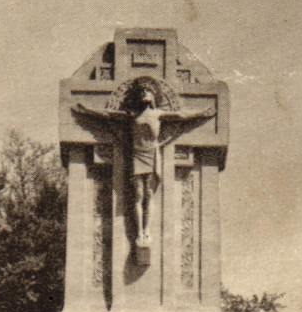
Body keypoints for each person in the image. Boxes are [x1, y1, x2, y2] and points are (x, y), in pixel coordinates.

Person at [74, 83, 214, 248]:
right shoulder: (132, 115)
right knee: (138, 195)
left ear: (153, 97)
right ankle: (139, 232)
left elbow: (181, 115)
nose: (144, 93)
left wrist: (202, 113)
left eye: (148, 91)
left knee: (149, 194)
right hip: (137, 155)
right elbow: (108, 114)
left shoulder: (158, 114)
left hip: (152, 154)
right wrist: (87, 111)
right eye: (142, 92)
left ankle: (147, 231)